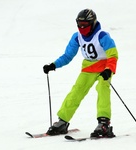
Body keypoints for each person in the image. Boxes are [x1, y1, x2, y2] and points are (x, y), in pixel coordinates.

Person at [43, 9, 118, 138]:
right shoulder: (77, 37)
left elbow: (113, 55)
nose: (82, 27)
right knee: (76, 91)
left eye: (85, 24)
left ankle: (104, 123)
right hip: (88, 68)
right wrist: (54, 65)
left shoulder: (102, 35)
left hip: (104, 68)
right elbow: (68, 55)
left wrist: (109, 70)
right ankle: (62, 121)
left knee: (102, 88)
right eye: (79, 24)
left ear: (92, 23)